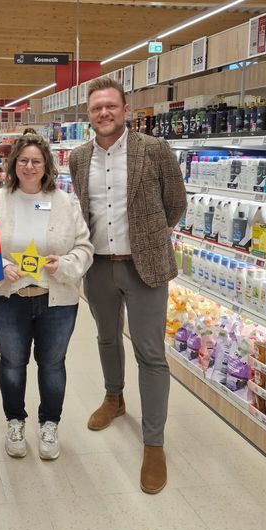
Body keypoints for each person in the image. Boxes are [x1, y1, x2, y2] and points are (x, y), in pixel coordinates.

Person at [69, 76, 187, 494]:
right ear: (89, 114)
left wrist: (150, 238)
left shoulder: (154, 149)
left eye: (110, 106)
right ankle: (114, 398)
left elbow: (176, 202)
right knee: (106, 337)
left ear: (125, 110)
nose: (104, 113)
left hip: (145, 266)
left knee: (150, 353)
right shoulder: (79, 157)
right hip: (98, 265)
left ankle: (153, 442)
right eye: (96, 107)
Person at [0, 134, 93, 459]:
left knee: (53, 364)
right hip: (7, 299)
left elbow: (84, 248)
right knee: (12, 363)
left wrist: (64, 265)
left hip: (56, 301)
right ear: (14, 164)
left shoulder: (66, 203)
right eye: (23, 161)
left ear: (47, 166)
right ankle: (15, 421)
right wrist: (0, 265)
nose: (29, 167)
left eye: (36, 161)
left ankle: (49, 424)